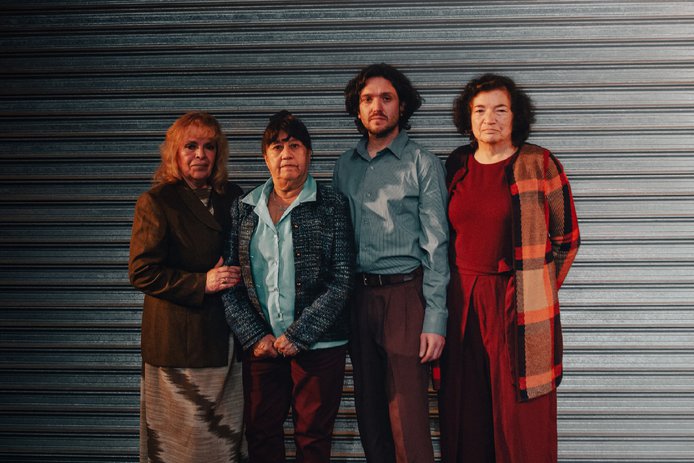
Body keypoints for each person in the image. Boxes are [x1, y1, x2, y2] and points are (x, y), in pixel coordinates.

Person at [439, 73, 581, 462]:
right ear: (468, 118)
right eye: (480, 110)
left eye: (501, 110)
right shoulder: (457, 165)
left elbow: (567, 238)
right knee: (467, 407)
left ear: (516, 116)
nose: (490, 119)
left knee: (521, 411)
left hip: (517, 304)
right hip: (463, 302)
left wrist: (537, 287)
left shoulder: (539, 163)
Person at [333, 63, 449, 463]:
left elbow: (437, 244)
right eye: (367, 99)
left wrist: (435, 318)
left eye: (386, 98)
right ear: (357, 108)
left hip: (405, 298)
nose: (376, 106)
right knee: (370, 418)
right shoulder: (344, 166)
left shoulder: (422, 163)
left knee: (408, 419)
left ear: (402, 106)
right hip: (358, 299)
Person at [222, 110, 354, 463]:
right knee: (261, 432)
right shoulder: (244, 209)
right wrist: (254, 336)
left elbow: (341, 280)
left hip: (320, 345)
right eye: (277, 147)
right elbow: (231, 281)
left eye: (294, 146)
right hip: (263, 347)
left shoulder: (332, 205)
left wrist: (300, 335)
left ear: (309, 154)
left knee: (313, 437)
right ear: (265, 157)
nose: (286, 154)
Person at [128, 111, 245, 462]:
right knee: (179, 449)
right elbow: (142, 271)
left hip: (224, 343)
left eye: (209, 146)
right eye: (190, 146)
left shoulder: (233, 197)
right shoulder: (157, 201)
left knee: (223, 445)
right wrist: (201, 283)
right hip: (176, 348)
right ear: (174, 153)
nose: (200, 155)